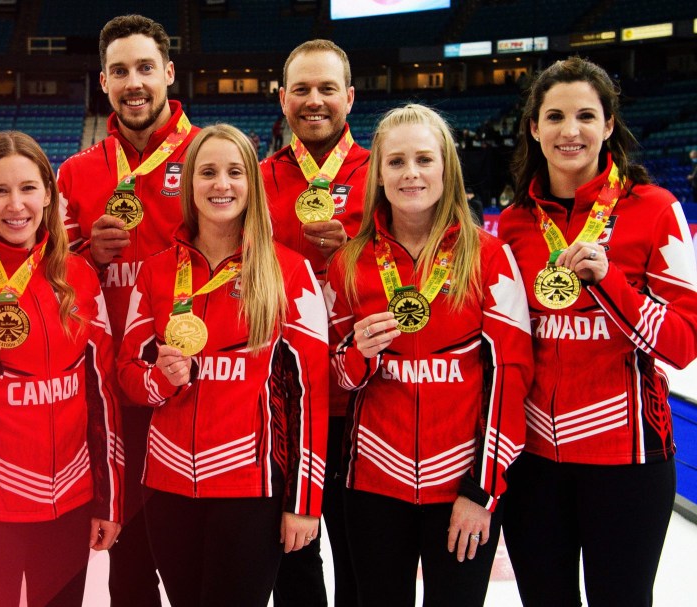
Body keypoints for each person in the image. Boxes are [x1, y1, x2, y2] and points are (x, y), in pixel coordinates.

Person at [499, 56, 697, 607]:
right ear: (534, 128)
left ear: (609, 125)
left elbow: (683, 345)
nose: (570, 130)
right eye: (555, 116)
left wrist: (611, 282)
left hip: (627, 461)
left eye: (586, 115)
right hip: (533, 461)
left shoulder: (657, 211)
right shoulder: (515, 223)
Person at [117, 124, 330, 607]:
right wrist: (160, 382)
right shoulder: (155, 272)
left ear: (251, 185)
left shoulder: (287, 271)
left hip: (250, 487)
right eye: (208, 172)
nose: (222, 184)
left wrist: (304, 503)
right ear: (189, 184)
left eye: (235, 172)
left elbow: (311, 395)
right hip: (166, 487)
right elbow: (128, 373)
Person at [328, 104, 532, 607]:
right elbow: (332, 378)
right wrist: (358, 354)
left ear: (446, 167)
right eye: (396, 162)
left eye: (424, 159)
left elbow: (511, 378)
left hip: (461, 486)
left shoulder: (489, 257)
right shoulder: (349, 264)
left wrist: (481, 491)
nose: (411, 173)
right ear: (378, 173)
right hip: (373, 484)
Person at [0, 131, 122, 607]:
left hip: (70, 503)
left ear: (49, 194)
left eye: (28, 188)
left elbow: (104, 397)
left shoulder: (78, 277)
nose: (16, 205)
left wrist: (110, 500)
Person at [56, 14, 200, 607]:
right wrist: (86, 251)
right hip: (113, 392)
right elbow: (49, 276)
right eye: (120, 71)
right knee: (129, 563)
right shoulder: (76, 172)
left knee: (194, 558)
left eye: (145, 68)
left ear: (167, 72)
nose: (133, 82)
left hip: (190, 383)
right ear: (104, 80)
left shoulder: (210, 159)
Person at [261, 39, 370, 607]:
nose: (314, 100)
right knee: (293, 564)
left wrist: (357, 254)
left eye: (327, 88)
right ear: (282, 99)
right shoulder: (257, 179)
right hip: (286, 403)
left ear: (349, 97)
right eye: (301, 89)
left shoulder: (386, 173)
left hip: (365, 403)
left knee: (360, 560)